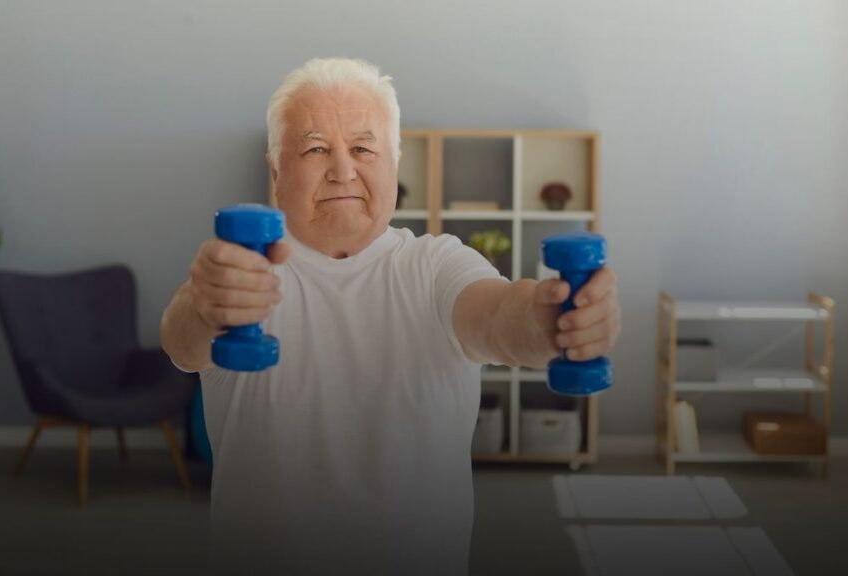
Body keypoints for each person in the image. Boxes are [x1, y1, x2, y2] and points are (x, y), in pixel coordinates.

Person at [160, 57, 620, 575]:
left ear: (395, 164)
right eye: (314, 149)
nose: (342, 169)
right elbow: (182, 340)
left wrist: (551, 318)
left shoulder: (438, 263)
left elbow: (499, 315)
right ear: (275, 169)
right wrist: (205, 304)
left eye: (363, 148)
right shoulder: (238, 270)